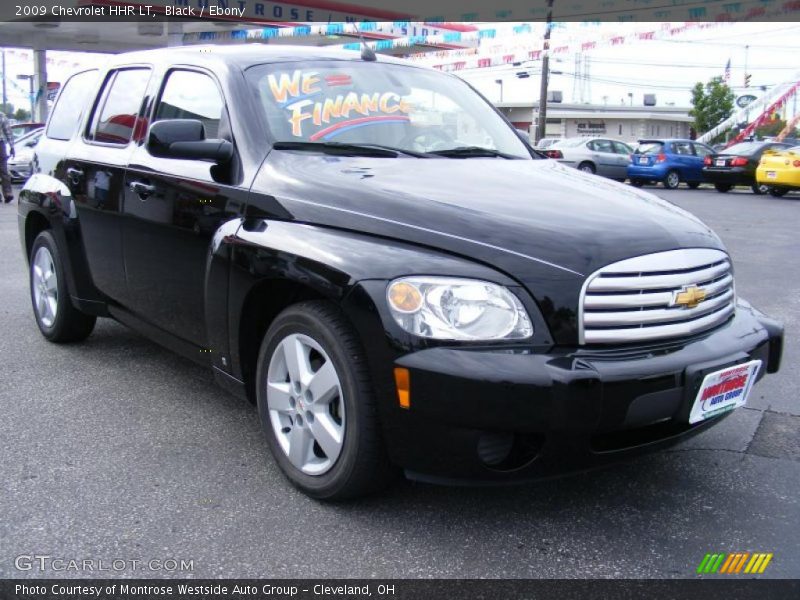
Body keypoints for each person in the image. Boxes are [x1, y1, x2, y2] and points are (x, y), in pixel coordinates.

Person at [0, 112, 15, 203]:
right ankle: (6, 193)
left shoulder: (1, 116)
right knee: (3, 170)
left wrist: (12, 146)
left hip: (0, 144)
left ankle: (7, 193)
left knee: (4, 170)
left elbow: (8, 131)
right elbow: (8, 132)